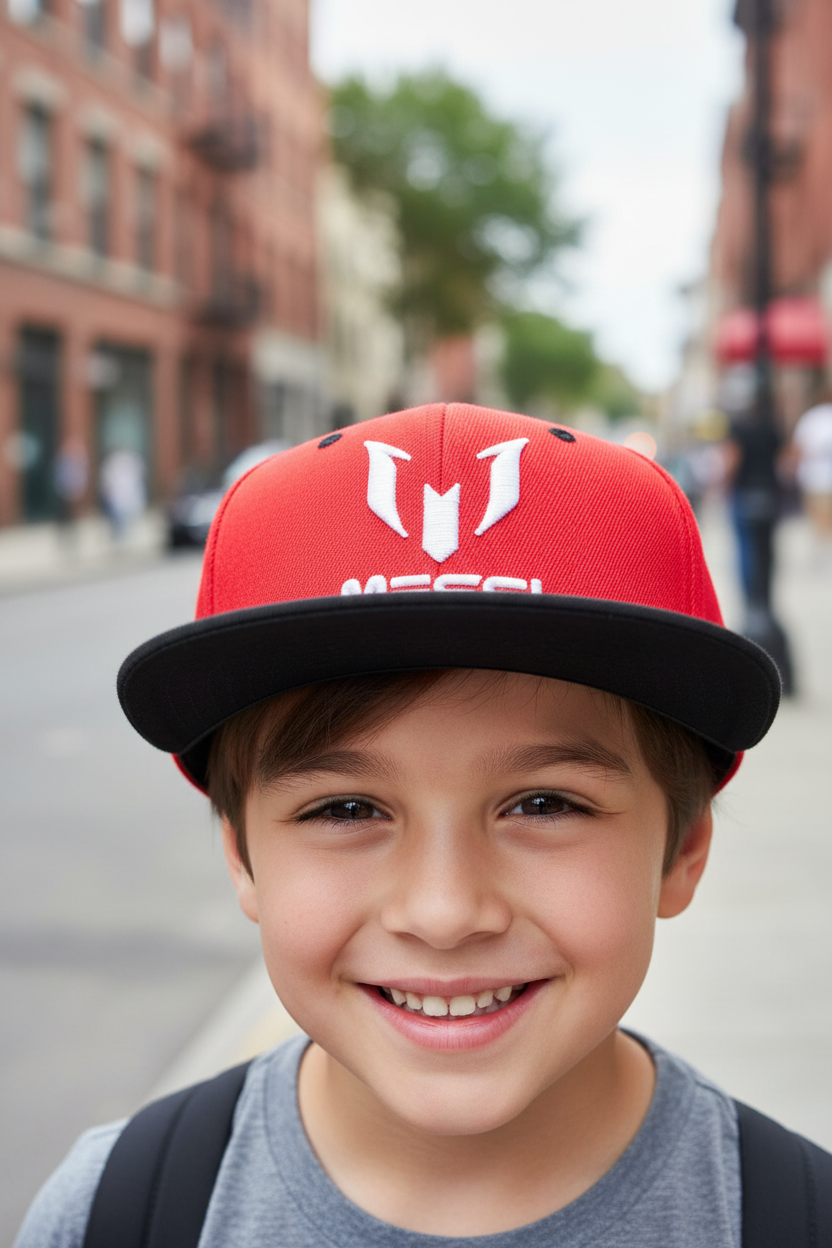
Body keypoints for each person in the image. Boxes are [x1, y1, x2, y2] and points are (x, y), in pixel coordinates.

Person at [13, 404, 829, 1247]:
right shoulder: (116, 1215)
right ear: (241, 853)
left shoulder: (795, 1219)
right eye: (346, 809)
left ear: (683, 848)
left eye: (544, 804)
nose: (443, 913)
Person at [791, 395, 832, 557]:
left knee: (818, 517)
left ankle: (822, 547)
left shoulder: (811, 418)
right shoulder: (813, 418)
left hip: (815, 477)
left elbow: (799, 447)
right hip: (817, 476)